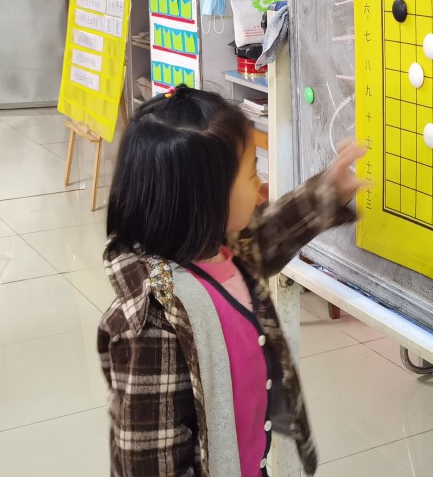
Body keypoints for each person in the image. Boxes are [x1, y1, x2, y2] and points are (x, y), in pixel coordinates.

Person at [99, 85, 366, 476]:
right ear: (206, 201)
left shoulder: (223, 252)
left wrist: (329, 191)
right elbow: (150, 459)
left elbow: (270, 234)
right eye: (252, 174)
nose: (260, 189)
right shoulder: (155, 322)